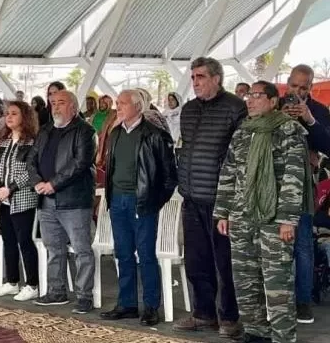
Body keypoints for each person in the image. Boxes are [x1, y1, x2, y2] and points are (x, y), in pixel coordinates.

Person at [215, 80, 308, 343]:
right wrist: (223, 212)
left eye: (257, 96)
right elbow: (229, 174)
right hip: (242, 216)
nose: (251, 100)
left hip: (274, 219)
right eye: (249, 96)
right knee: (245, 279)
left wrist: (287, 220)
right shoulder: (243, 132)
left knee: (277, 284)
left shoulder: (289, 131)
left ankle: (283, 337)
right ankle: (256, 331)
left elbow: (293, 177)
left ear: (273, 101)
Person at [174, 57, 246, 338]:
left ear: (217, 78)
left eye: (201, 76)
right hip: (192, 197)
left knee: (225, 263)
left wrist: (231, 200)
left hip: (221, 201)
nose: (195, 82)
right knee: (196, 261)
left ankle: (230, 317)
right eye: (193, 77)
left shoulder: (235, 108)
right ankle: (203, 314)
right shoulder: (189, 110)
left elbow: (239, 157)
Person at [100, 89, 177, 326]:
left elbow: (169, 176)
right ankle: (127, 304)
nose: (118, 107)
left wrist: (153, 201)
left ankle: (151, 306)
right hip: (118, 200)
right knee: (123, 254)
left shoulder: (154, 134)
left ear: (137, 106)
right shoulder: (115, 133)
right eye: (117, 103)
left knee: (146, 256)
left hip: (142, 202)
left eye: (122, 103)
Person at [28, 90, 96, 313]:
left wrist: (53, 184)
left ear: (73, 107)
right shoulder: (45, 130)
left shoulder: (85, 131)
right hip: (46, 200)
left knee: (81, 250)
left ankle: (84, 296)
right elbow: (31, 160)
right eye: (53, 103)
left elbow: (80, 163)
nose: (56, 107)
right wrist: (38, 182)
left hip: (74, 200)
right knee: (53, 249)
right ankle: (56, 291)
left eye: (61, 103)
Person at [281, 64, 330, 324]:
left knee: (303, 244)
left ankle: (303, 301)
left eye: (303, 87)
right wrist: (280, 118)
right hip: (273, 184)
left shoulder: (320, 110)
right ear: (287, 83)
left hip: (303, 186)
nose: (298, 91)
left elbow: (329, 144)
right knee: (273, 245)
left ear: (311, 87)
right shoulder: (275, 104)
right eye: (294, 85)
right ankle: (276, 298)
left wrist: (310, 119)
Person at [0, 100, 40, 301]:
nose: (9, 117)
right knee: (8, 241)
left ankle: (32, 284)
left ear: (25, 117)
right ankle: (12, 282)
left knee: (24, 241)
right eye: (7, 113)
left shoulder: (32, 142)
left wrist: (10, 188)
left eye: (14, 113)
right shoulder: (2, 141)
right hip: (2, 200)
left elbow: (31, 170)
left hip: (23, 199)